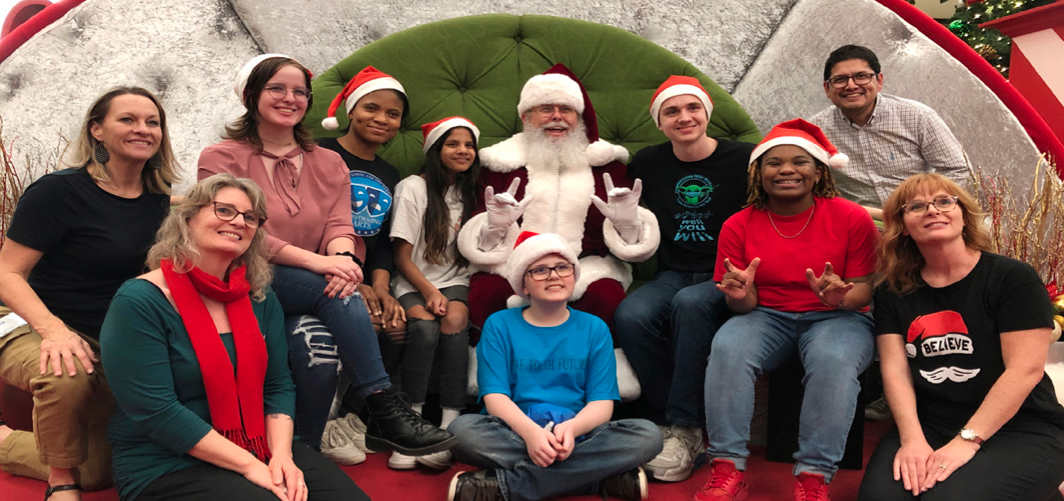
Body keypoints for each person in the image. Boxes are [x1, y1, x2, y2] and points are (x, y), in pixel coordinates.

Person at [198, 54, 454, 459]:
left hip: (309, 285)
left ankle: (305, 457)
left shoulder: (327, 160)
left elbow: (340, 225)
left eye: (300, 91)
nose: (290, 98)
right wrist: (323, 264)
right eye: (277, 89)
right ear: (251, 95)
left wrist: (344, 261)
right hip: (246, 278)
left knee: (316, 350)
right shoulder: (223, 157)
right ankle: (383, 405)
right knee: (340, 292)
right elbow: (240, 231)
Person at [100, 173, 371, 501]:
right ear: (188, 219)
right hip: (166, 460)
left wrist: (282, 455)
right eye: (224, 210)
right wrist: (247, 465)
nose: (239, 222)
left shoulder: (259, 295)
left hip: (258, 441)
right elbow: (156, 411)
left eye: (250, 217)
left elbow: (278, 385)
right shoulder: (140, 301)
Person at [0, 86, 178, 500]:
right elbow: (7, 273)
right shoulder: (59, 191)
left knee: (100, 469)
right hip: (32, 324)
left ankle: (28, 450)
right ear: (97, 130)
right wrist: (52, 330)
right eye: (128, 119)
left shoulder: (158, 201)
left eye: (153, 122)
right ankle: (60, 483)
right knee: (65, 373)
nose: (143, 129)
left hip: (110, 342)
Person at [696, 119, 879, 501]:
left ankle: (813, 476)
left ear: (818, 172)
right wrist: (740, 292)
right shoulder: (738, 224)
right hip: (766, 315)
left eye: (800, 162)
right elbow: (741, 303)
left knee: (833, 360)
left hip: (838, 317)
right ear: (758, 174)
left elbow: (864, 291)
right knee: (728, 349)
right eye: (773, 163)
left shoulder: (851, 217)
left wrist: (839, 298)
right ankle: (727, 468)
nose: (786, 170)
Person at [856, 173, 1064, 501]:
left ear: (963, 216)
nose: (932, 210)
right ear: (902, 226)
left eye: (943, 201)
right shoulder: (892, 290)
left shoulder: (1012, 278)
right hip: (932, 423)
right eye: (917, 206)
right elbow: (895, 371)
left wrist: (966, 441)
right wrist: (912, 440)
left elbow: (1024, 371)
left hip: (1020, 425)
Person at [446, 231, 663, 501]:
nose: (554, 275)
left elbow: (602, 404)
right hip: (513, 431)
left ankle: (507, 486)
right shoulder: (500, 324)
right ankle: (595, 479)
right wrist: (531, 434)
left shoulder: (594, 328)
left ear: (574, 275)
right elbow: (494, 397)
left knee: (649, 435)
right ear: (523, 284)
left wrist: (571, 430)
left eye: (562, 267)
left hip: (577, 434)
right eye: (539, 270)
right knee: (461, 431)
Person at [613, 76, 753, 482]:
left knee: (691, 305)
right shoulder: (647, 163)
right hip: (673, 271)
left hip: (725, 273)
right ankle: (664, 420)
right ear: (660, 122)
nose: (684, 117)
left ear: (707, 113)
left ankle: (688, 426)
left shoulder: (743, 158)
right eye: (671, 111)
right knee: (631, 315)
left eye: (692, 108)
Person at [315, 66, 410, 465]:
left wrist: (383, 289)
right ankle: (322, 420)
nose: (381, 119)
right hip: (320, 265)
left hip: (364, 275)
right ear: (351, 110)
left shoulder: (390, 174)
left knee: (398, 326)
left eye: (393, 114)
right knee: (366, 321)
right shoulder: (320, 152)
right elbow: (308, 223)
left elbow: (382, 244)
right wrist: (354, 282)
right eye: (372, 108)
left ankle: (355, 417)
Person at [383, 116, 481, 470]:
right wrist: (427, 292)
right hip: (413, 279)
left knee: (456, 318)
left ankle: (450, 423)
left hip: (455, 279)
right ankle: (412, 421)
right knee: (424, 328)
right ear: (435, 150)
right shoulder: (413, 187)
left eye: (469, 145)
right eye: (453, 144)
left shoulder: (471, 191)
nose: (463, 151)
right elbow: (401, 257)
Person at [810, 44, 968, 221]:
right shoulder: (815, 130)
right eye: (840, 80)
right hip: (857, 222)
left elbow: (957, 169)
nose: (851, 85)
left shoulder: (917, 116)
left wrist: (925, 206)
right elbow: (811, 185)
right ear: (827, 88)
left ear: (879, 81)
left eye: (861, 76)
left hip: (920, 219)